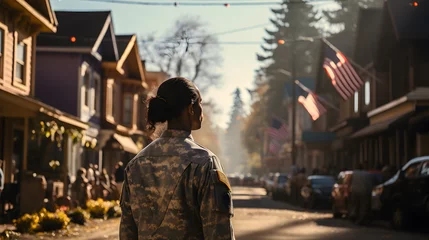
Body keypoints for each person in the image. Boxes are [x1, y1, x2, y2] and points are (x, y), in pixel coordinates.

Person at [119, 77, 235, 239]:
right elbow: (219, 234)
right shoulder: (204, 162)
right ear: (190, 109)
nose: (202, 109)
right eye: (199, 103)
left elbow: (127, 232)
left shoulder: (136, 164)